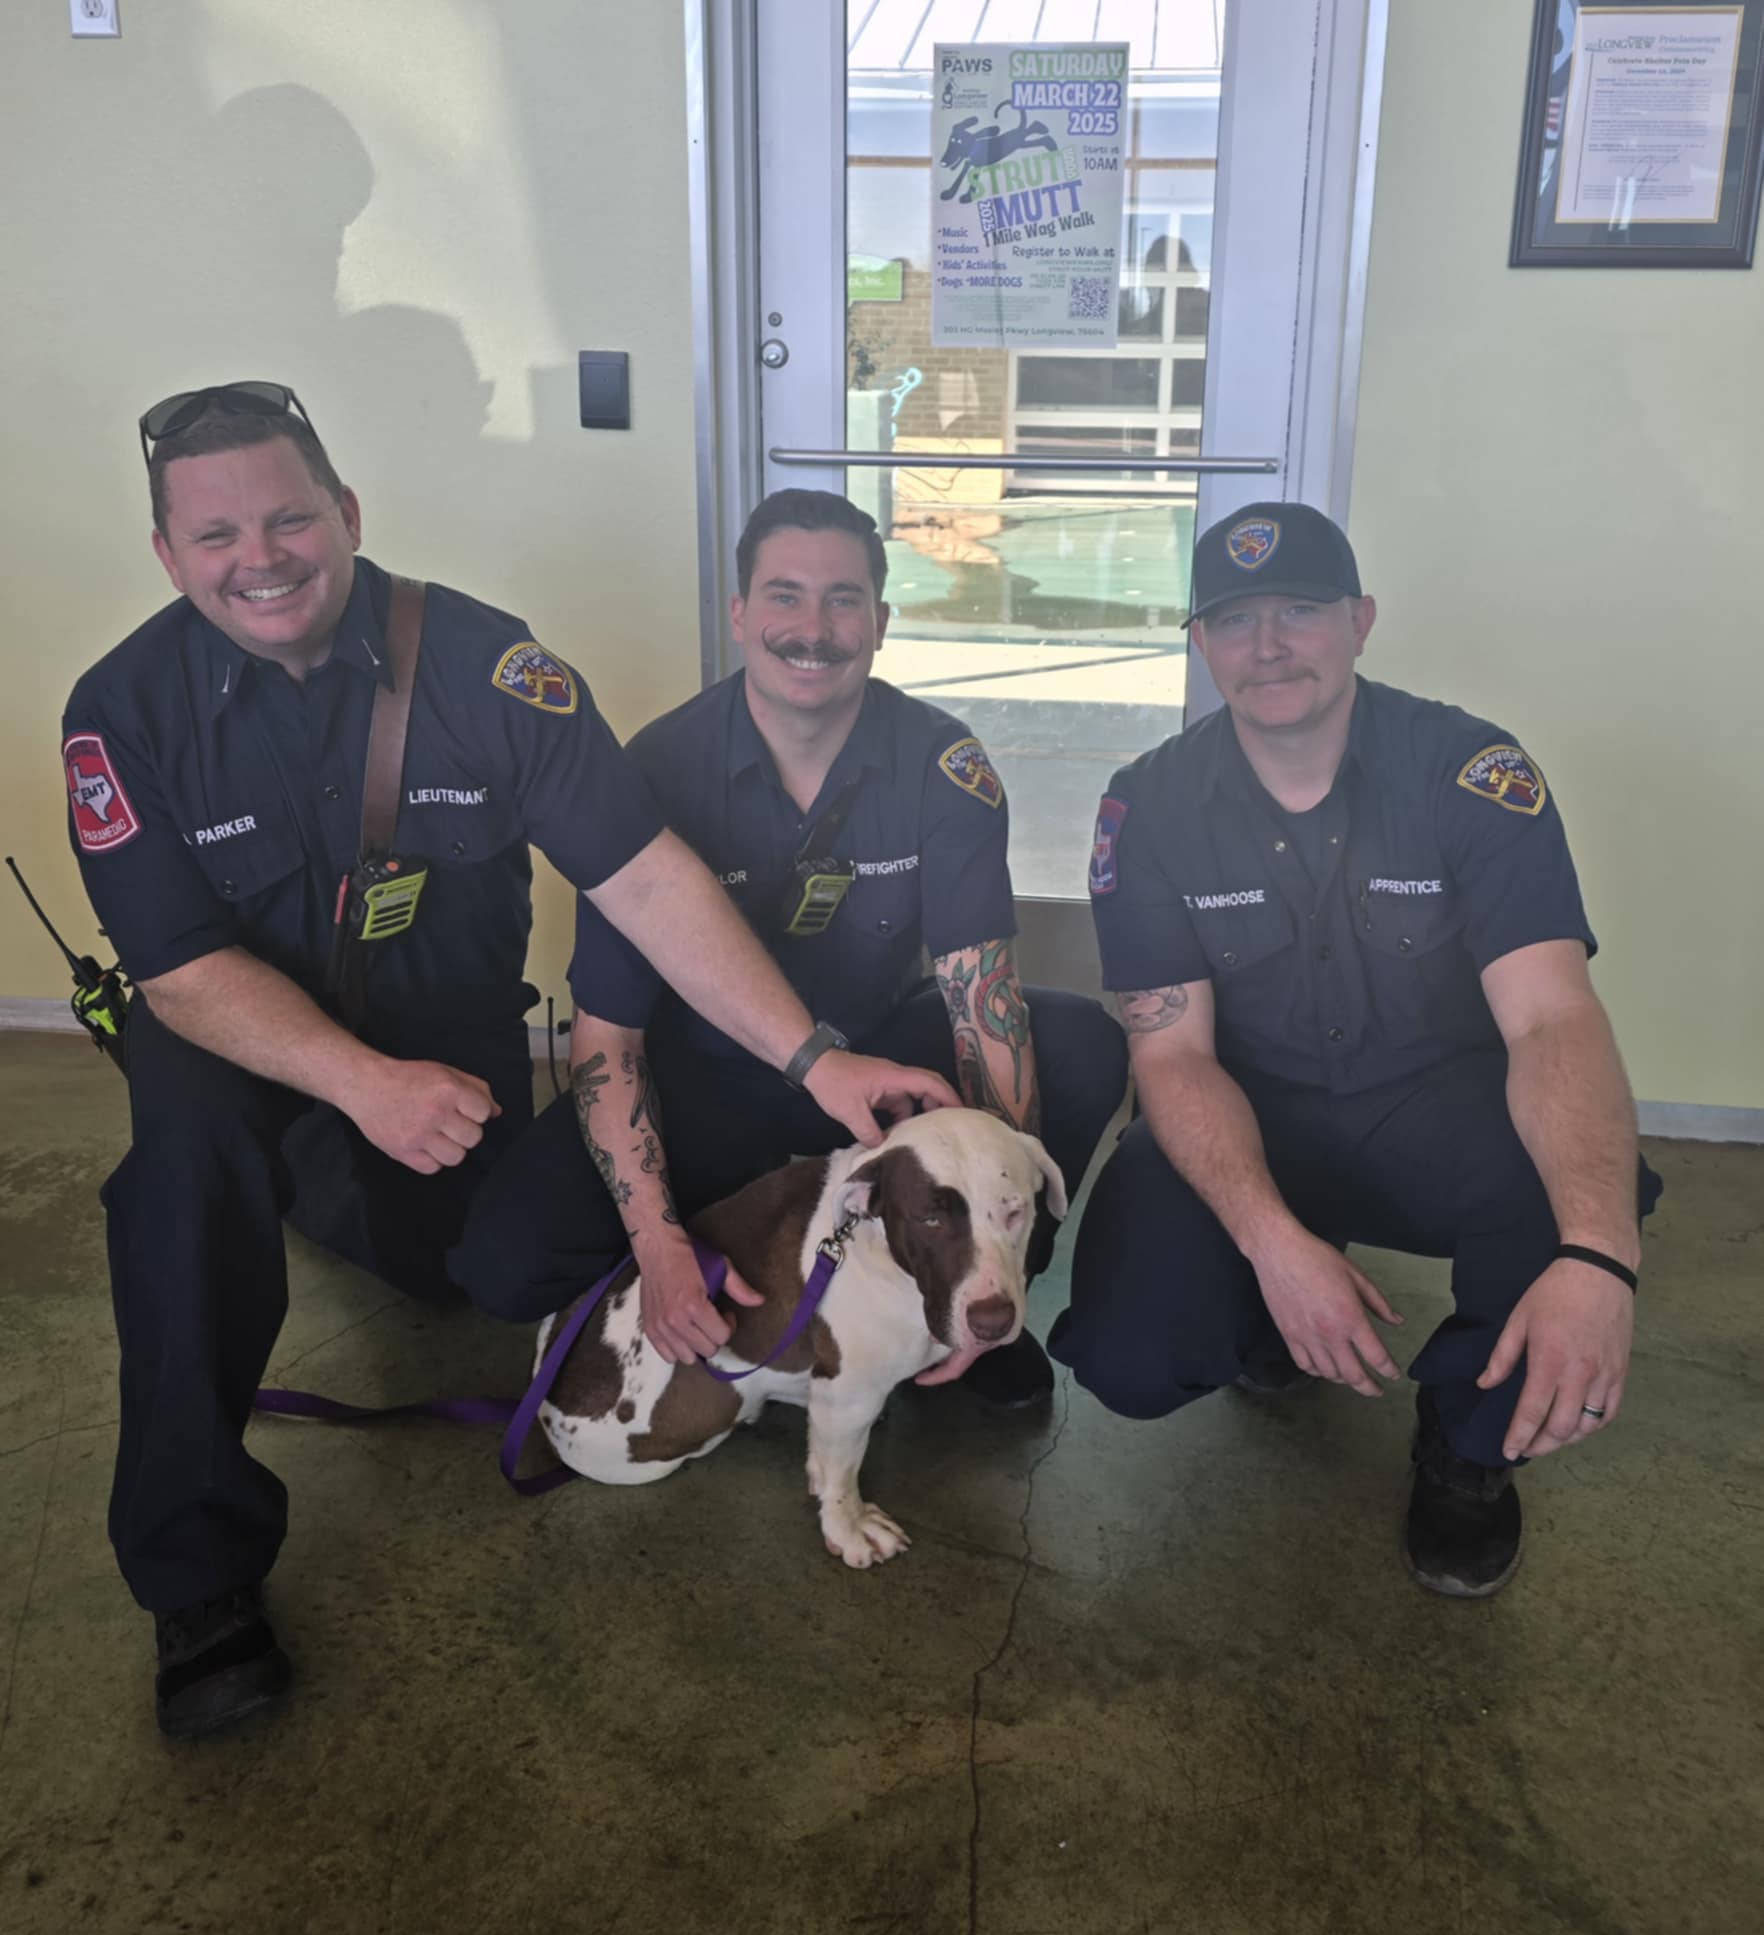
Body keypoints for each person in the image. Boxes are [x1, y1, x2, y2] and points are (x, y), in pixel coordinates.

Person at [63, 386, 956, 1738]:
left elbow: (650, 883)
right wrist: (356, 1086)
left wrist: (814, 1055)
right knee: (185, 1189)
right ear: (168, 553)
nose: (264, 555)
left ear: (347, 515)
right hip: (236, 1039)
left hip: (450, 1048)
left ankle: (313, 1185)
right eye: (218, 531)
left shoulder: (489, 673)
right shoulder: (123, 710)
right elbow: (179, 972)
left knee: (462, 1271)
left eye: (292, 516)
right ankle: (200, 1576)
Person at [1049, 501, 1661, 1598]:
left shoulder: (1470, 771)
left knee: (1558, 1184)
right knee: (1130, 1359)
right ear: (1201, 642)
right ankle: (1265, 1310)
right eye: (1235, 619)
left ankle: (1470, 1449)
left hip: (1435, 1109)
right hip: (1253, 1109)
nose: (1269, 645)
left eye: (1301, 611)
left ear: (1361, 621)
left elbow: (1551, 1020)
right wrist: (1274, 1244)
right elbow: (1174, 1059)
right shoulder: (1147, 805)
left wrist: (1601, 1254)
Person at [451, 489, 1126, 1402]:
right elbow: (608, 1046)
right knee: (503, 1264)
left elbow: (982, 1007)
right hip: (701, 1088)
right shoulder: (653, 770)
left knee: (1078, 1043)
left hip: (875, 1078)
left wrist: (1001, 1268)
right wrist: (657, 1246)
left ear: (881, 621)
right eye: (784, 595)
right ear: (738, 613)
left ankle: (957, 1313)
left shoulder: (943, 767)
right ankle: (715, 1300)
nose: (814, 627)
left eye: (844, 598)